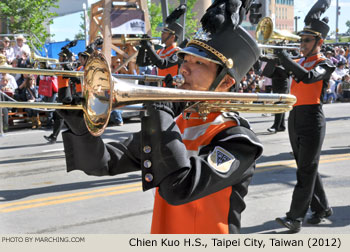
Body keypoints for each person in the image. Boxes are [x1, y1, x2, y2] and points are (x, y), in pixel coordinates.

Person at [57, 1, 263, 234]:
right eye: (185, 59)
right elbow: (102, 163)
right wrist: (80, 128)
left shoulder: (238, 140)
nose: (183, 69)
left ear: (225, 81)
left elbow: (180, 189)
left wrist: (161, 112)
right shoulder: (177, 122)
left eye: (198, 63)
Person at [273, 1, 336, 233]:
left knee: (306, 170)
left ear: (319, 42)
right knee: (305, 166)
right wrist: (275, 58)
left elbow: (309, 78)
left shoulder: (324, 63)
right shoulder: (298, 60)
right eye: (300, 40)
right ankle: (322, 209)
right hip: (295, 116)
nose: (301, 44)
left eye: (306, 40)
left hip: (312, 118)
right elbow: (269, 73)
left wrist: (286, 60)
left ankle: (295, 217)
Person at [136, 4, 186, 88]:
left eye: (164, 33)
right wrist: (143, 47)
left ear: (172, 37)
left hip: (174, 89)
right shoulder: (161, 51)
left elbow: (162, 64)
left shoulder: (178, 53)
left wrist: (149, 47)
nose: (161, 34)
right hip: (162, 88)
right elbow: (141, 63)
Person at [261, 57, 289, 133]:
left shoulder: (279, 69)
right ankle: (281, 126)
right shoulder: (281, 68)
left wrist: (269, 60)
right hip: (281, 90)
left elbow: (267, 73)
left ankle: (276, 126)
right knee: (281, 108)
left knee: (278, 107)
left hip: (281, 90)